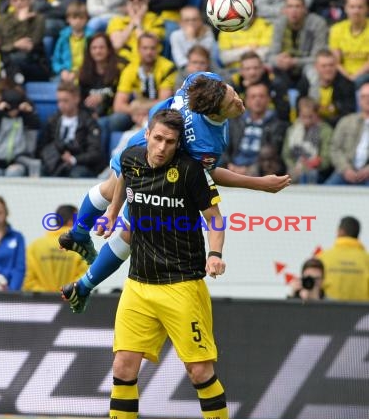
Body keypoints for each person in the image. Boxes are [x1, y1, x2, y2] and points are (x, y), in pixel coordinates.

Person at [59, 71, 290, 313]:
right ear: (213, 113)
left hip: (144, 140)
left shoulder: (201, 80)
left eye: (233, 92)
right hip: (153, 165)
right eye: (231, 103)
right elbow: (208, 176)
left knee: (108, 189)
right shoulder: (207, 144)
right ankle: (82, 286)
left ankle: (78, 233)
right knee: (129, 235)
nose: (238, 101)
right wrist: (259, 183)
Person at [96, 109, 235, 419]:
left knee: (200, 373)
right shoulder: (131, 156)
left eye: (170, 142)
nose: (161, 148)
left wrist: (216, 253)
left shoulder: (191, 172)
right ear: (148, 134)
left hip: (182, 286)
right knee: (123, 367)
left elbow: (215, 216)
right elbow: (122, 181)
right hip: (138, 285)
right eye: (157, 139)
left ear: (178, 144)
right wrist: (110, 214)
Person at [111, 31, 176, 133]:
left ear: (158, 49)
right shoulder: (130, 69)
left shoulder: (168, 67)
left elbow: (165, 102)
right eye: (145, 48)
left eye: (152, 48)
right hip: (136, 113)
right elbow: (118, 105)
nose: (149, 52)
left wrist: (139, 106)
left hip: (160, 112)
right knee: (116, 120)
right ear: (138, 49)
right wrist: (134, 112)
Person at [38, 81, 104, 178]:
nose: (61, 105)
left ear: (76, 99)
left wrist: (74, 159)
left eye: (65, 100)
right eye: (59, 101)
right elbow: (42, 147)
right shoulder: (52, 121)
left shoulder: (89, 122)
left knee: (76, 173)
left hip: (81, 165)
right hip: (56, 163)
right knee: (42, 169)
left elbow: (94, 153)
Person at [220, 82, 289, 174]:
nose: (257, 100)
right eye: (253, 96)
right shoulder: (234, 122)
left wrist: (250, 170)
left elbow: (273, 155)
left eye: (261, 96)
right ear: (246, 100)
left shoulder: (278, 125)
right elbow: (223, 147)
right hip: (232, 168)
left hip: (260, 171)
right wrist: (228, 165)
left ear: (269, 99)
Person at [267, 0, 328, 91]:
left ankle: (312, 104)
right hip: (284, 67)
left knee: (313, 73)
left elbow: (318, 58)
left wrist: (295, 62)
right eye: (290, 6)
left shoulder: (318, 23)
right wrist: (278, 60)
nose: (293, 11)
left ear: (305, 9)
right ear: (285, 9)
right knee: (264, 69)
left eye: (297, 6)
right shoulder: (279, 24)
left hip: (307, 65)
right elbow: (271, 55)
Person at [78, 32, 127, 156]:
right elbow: (79, 100)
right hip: (92, 115)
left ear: (109, 49)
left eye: (101, 47)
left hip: (114, 114)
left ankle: (102, 162)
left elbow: (122, 95)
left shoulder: (119, 69)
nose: (97, 51)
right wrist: (91, 114)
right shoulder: (84, 72)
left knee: (101, 124)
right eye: (94, 48)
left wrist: (103, 99)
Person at [23, 204, 87, 292]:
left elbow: (27, 279)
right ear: (70, 222)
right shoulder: (79, 246)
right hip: (69, 302)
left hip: (41, 302)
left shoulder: (34, 246)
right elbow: (84, 278)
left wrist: (47, 296)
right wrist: (65, 292)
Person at [0, 0, 50, 82]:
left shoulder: (38, 19)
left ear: (29, 0)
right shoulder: (3, 20)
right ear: (10, 2)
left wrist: (22, 22)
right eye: (15, 0)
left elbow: (29, 45)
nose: (19, 3)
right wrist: (15, 45)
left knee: (15, 60)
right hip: (8, 61)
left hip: (33, 62)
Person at [106, 0, 165, 64]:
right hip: (122, 63)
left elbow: (147, 46)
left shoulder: (156, 20)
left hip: (148, 64)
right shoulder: (116, 20)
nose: (136, 1)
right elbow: (117, 45)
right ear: (127, 1)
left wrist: (138, 22)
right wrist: (132, 22)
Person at [297, 48, 357, 128]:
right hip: (309, 124)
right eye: (324, 66)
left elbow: (348, 115)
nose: (328, 69)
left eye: (331, 65)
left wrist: (322, 123)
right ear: (316, 67)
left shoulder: (346, 85)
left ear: (336, 66)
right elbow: (299, 108)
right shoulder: (306, 83)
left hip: (335, 127)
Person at [0, 84, 40, 176]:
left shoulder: (24, 118)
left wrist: (29, 112)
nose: (13, 112)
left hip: (19, 159)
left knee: (12, 173)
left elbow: (34, 125)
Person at [281, 96, 333, 183]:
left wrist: (311, 164)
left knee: (307, 175)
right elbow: (286, 154)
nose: (307, 120)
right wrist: (295, 166)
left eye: (310, 116)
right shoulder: (292, 129)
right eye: (304, 116)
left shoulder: (325, 131)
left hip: (317, 170)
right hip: (294, 168)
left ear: (316, 114)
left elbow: (326, 158)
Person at [326, 82, 369, 185]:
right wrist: (345, 169)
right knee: (324, 193)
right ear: (359, 100)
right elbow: (334, 148)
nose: (367, 99)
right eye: (363, 96)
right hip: (345, 171)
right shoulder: (346, 121)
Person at [317, 216, 369, 300]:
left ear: (340, 231)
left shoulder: (323, 257)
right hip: (362, 312)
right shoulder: (366, 259)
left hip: (328, 311)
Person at [231, 51, 290, 121]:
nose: (252, 72)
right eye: (248, 69)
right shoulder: (234, 86)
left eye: (256, 68)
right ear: (241, 71)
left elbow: (283, 114)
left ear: (262, 68)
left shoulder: (276, 84)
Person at [328, 0, 369, 89]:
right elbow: (336, 61)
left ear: (367, 9)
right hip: (343, 75)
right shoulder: (336, 29)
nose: (356, 11)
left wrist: (354, 78)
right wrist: (347, 77)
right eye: (352, 7)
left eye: (360, 7)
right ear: (346, 8)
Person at [0, 195, 26, 290]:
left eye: (0, 213)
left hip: (8, 292)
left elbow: (19, 267)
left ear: (6, 213)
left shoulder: (17, 237)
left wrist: (11, 291)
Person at [51, 1, 93, 83]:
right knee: (56, 85)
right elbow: (56, 60)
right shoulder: (63, 37)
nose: (78, 21)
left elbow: (93, 60)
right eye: (74, 18)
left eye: (81, 18)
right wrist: (62, 70)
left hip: (85, 73)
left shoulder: (91, 37)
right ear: (68, 19)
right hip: (66, 73)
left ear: (86, 19)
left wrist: (78, 72)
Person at [169, 5, 217, 70]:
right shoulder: (175, 35)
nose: (191, 23)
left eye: (194, 19)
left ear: (200, 21)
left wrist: (192, 40)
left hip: (207, 68)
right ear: (181, 23)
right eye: (187, 20)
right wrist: (190, 39)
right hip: (185, 70)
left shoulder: (207, 32)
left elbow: (206, 56)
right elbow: (180, 61)